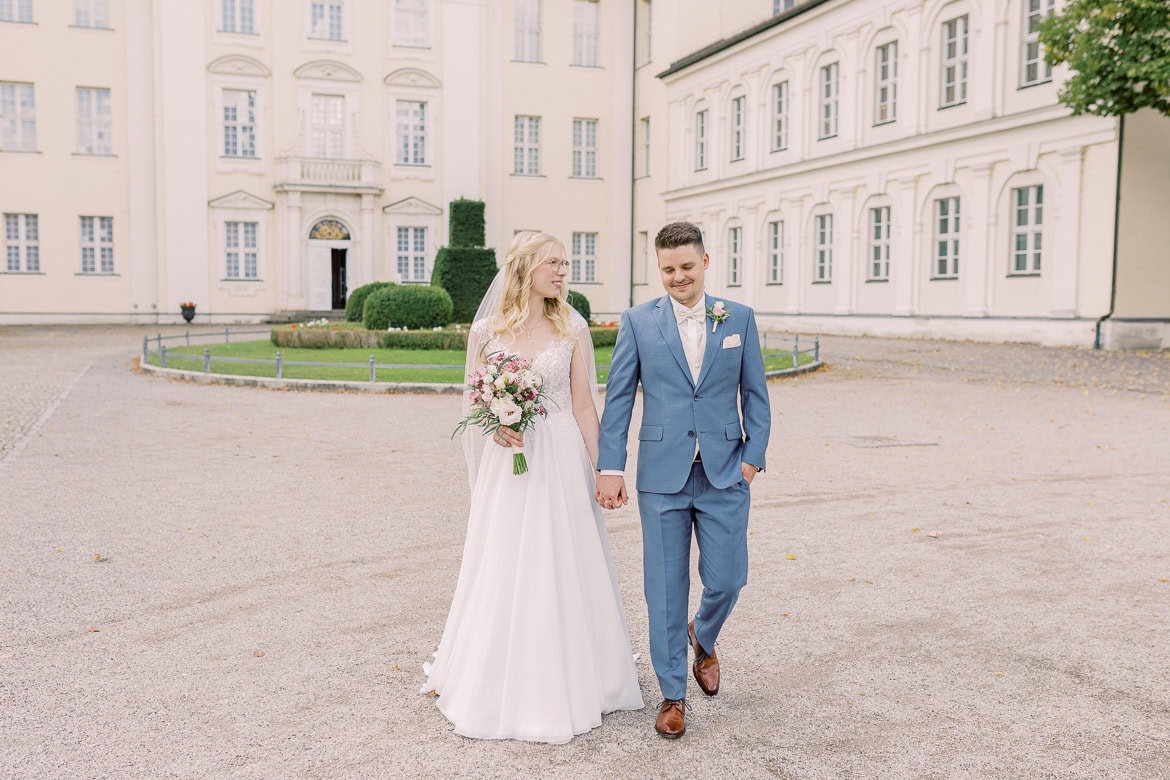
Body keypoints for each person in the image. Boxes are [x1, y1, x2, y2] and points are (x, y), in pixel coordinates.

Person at [422, 231, 644, 744]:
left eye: (565, 263)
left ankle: (582, 673)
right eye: (554, 263)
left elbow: (586, 405)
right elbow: (475, 403)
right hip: (512, 458)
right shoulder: (485, 331)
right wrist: (495, 423)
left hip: (562, 455)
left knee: (566, 556)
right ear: (525, 268)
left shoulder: (573, 326)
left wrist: (606, 468)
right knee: (506, 556)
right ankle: (501, 675)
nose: (564, 272)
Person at [595, 221, 771, 739]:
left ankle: (704, 634)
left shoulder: (738, 318)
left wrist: (752, 458)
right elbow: (620, 397)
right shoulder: (637, 322)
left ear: (706, 262)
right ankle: (673, 694)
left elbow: (756, 394)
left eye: (687, 267)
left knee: (728, 577)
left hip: (725, 471)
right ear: (660, 269)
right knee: (664, 589)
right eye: (668, 269)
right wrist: (610, 466)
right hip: (662, 475)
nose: (678, 277)